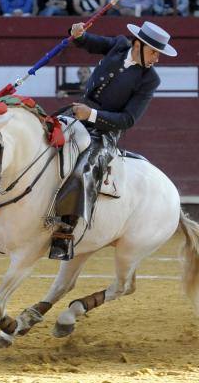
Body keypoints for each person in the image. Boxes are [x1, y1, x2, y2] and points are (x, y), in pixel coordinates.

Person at [49, 20, 177, 260]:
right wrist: (76, 33)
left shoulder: (150, 80)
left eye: (158, 54)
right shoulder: (118, 46)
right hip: (77, 111)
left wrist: (92, 115)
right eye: (154, 52)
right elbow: (87, 41)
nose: (156, 59)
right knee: (43, 135)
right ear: (138, 44)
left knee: (84, 170)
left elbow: (128, 119)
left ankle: (65, 232)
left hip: (106, 131)